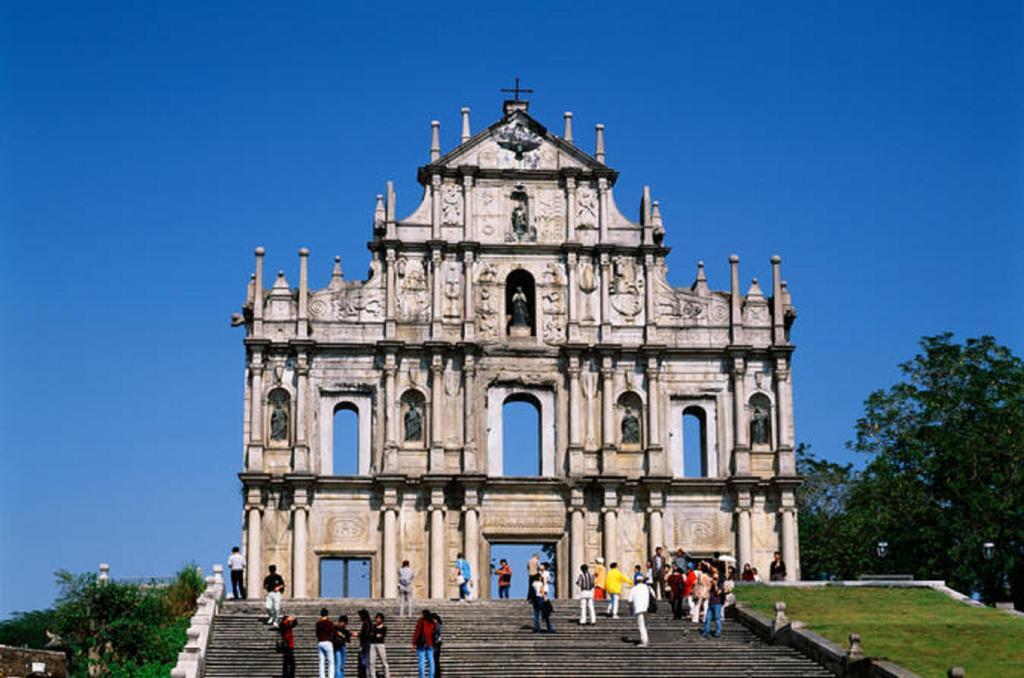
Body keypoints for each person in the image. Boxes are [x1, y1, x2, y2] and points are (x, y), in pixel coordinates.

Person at [412, 608, 436, 678]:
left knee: (421, 661)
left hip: (421, 643)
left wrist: (414, 642)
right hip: (430, 643)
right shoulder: (432, 622)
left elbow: (417, 632)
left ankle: (422, 676)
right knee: (431, 661)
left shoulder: (421, 621)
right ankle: (431, 676)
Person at [628, 576, 652, 647]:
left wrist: (631, 609)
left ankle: (644, 641)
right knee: (645, 624)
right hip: (647, 608)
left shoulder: (634, 589)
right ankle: (645, 638)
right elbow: (654, 595)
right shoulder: (648, 588)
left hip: (638, 609)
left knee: (641, 625)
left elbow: (629, 600)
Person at [368, 613, 391, 678]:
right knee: (371, 662)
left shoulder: (384, 628)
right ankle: (373, 676)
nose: (377, 619)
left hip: (380, 645)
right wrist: (375, 635)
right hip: (372, 644)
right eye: (376, 618)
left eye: (379, 618)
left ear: (382, 619)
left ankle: (387, 676)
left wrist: (375, 635)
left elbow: (381, 636)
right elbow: (372, 635)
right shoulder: (373, 627)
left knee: (384, 661)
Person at [702, 570, 724, 638]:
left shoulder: (720, 584)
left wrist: (715, 585)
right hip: (711, 602)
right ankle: (706, 631)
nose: (714, 579)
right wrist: (709, 583)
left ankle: (718, 632)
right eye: (713, 576)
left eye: (715, 577)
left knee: (717, 618)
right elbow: (708, 590)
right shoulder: (711, 583)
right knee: (707, 618)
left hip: (717, 603)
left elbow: (718, 593)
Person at [316, 607, 336, 678]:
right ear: (327, 615)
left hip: (320, 642)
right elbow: (332, 633)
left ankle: (322, 676)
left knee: (321, 662)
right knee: (331, 662)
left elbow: (317, 634)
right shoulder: (329, 623)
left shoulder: (318, 623)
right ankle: (330, 676)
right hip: (327, 642)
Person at [278, 614, 297, 678]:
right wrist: (287, 620)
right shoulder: (283, 625)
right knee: (287, 662)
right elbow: (282, 625)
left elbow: (295, 624)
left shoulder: (288, 626)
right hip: (286, 646)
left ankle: (289, 675)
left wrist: (294, 619)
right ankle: (287, 675)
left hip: (290, 646)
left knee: (290, 663)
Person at [356, 609, 371, 678]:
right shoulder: (368, 622)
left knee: (364, 661)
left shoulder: (366, 623)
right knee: (364, 661)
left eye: (360, 616)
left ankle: (366, 675)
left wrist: (358, 635)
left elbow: (365, 634)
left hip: (365, 644)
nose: (359, 617)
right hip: (366, 643)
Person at [430, 612, 444, 678]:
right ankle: (435, 675)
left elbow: (439, 636)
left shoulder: (438, 625)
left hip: (436, 645)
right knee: (434, 661)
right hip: (434, 645)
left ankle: (437, 675)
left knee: (435, 661)